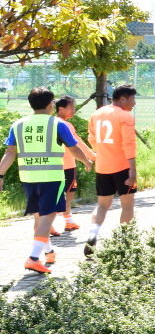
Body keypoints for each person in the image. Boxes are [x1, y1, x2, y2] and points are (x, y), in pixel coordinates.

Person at [0, 88, 92, 274]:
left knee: (39, 217)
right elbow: (74, 149)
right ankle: (33, 258)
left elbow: (10, 153)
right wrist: (87, 161)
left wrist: (0, 175)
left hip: (28, 178)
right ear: (51, 104)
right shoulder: (57, 124)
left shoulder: (18, 124)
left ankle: (48, 252)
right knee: (48, 217)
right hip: (51, 178)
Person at [85, 84, 140, 255]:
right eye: (132, 99)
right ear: (122, 99)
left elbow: (91, 138)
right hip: (123, 167)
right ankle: (124, 242)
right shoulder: (125, 116)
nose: (134, 103)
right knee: (127, 206)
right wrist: (132, 170)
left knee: (102, 205)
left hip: (103, 167)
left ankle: (93, 233)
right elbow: (129, 144)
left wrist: (101, 153)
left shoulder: (97, 114)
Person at [52, 95, 94, 236]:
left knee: (56, 196)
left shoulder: (50, 123)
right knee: (67, 196)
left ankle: (68, 222)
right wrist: (91, 156)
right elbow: (77, 144)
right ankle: (50, 223)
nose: (73, 110)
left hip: (51, 165)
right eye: (71, 107)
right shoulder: (65, 125)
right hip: (67, 165)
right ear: (60, 108)